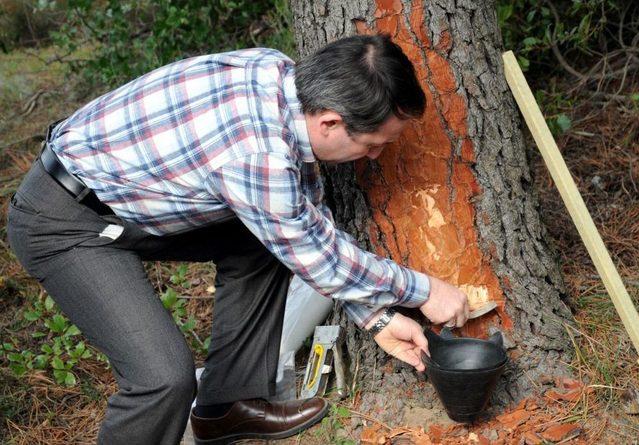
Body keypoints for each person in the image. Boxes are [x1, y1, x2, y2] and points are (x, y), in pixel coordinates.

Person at [6, 34, 469, 444]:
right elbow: (314, 249)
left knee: (263, 241)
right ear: (329, 122)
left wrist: (374, 318)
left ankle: (226, 408)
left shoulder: (278, 75)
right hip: (66, 221)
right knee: (162, 378)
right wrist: (423, 291)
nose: (375, 155)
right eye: (373, 145)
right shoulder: (256, 154)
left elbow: (304, 225)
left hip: (132, 200)